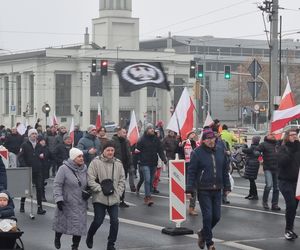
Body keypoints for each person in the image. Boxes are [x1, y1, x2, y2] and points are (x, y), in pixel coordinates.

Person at [187, 129, 231, 250]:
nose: (211, 141)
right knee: (207, 216)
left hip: (217, 188)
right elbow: (191, 172)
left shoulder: (220, 151)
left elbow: (224, 170)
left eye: (213, 138)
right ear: (203, 140)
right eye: (208, 139)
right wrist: (189, 189)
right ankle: (209, 243)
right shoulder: (197, 153)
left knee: (216, 217)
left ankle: (203, 233)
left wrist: (227, 186)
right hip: (203, 189)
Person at [86, 141, 125, 250]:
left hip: (114, 197)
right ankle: (90, 235)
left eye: (112, 150)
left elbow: (122, 179)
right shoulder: (95, 162)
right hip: (99, 197)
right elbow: (90, 179)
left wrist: (119, 192)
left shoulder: (118, 163)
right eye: (108, 150)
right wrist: (99, 189)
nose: (110, 152)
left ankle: (111, 244)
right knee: (98, 220)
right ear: (103, 151)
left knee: (114, 222)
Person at [53, 148, 88, 250]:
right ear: (73, 158)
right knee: (61, 223)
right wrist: (59, 199)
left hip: (81, 203)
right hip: (66, 202)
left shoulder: (85, 169)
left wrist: (88, 191)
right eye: (79, 156)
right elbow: (57, 184)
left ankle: (75, 247)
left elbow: (88, 183)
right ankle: (57, 237)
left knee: (79, 226)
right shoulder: (63, 169)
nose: (82, 158)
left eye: (82, 156)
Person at [136, 124, 167, 206]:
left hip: (153, 163)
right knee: (147, 179)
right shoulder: (142, 140)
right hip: (144, 163)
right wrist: (137, 161)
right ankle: (147, 197)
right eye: (150, 128)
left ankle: (148, 194)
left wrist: (164, 159)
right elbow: (136, 151)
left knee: (151, 181)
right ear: (146, 130)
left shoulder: (156, 139)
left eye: (152, 128)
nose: (152, 130)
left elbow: (160, 150)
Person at [278, 129, 300, 240]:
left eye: (295, 135)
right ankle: (287, 230)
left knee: (294, 207)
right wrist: (291, 151)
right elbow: (281, 162)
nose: (294, 136)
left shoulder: (299, 148)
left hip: (297, 182)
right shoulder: (283, 148)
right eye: (292, 135)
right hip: (285, 181)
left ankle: (290, 229)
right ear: (287, 137)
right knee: (291, 204)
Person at [18, 128, 46, 215]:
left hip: (38, 170)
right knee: (27, 188)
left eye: (35, 134)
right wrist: (25, 166)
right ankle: (22, 205)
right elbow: (20, 157)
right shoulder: (25, 145)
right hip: (28, 170)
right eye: (33, 134)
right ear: (29, 135)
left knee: (39, 188)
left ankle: (39, 208)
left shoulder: (39, 145)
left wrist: (42, 156)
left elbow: (44, 154)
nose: (34, 135)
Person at [257, 132, 281, 211]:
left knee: (276, 188)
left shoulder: (278, 144)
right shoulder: (263, 144)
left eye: (274, 134)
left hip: (277, 168)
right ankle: (265, 201)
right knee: (269, 185)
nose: (273, 135)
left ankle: (275, 204)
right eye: (271, 134)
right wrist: (260, 159)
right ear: (267, 136)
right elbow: (257, 152)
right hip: (268, 168)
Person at [111, 127, 133, 207]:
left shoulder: (127, 141)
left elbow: (129, 153)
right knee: (115, 182)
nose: (125, 134)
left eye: (125, 132)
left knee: (123, 183)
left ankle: (122, 200)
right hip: (116, 165)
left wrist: (130, 163)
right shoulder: (112, 141)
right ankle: (114, 199)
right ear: (118, 133)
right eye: (123, 132)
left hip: (125, 165)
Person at [182, 130, 198, 216]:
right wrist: (181, 144)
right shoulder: (185, 143)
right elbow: (180, 152)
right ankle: (191, 208)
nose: (194, 135)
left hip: (198, 167)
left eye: (194, 133)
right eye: (192, 133)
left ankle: (192, 207)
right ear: (188, 135)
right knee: (193, 188)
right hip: (189, 167)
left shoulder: (197, 143)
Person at [243, 136, 261, 200]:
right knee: (251, 180)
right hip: (255, 163)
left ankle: (255, 195)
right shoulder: (258, 147)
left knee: (252, 180)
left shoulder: (252, 147)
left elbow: (244, 150)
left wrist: (244, 144)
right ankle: (251, 194)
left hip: (251, 164)